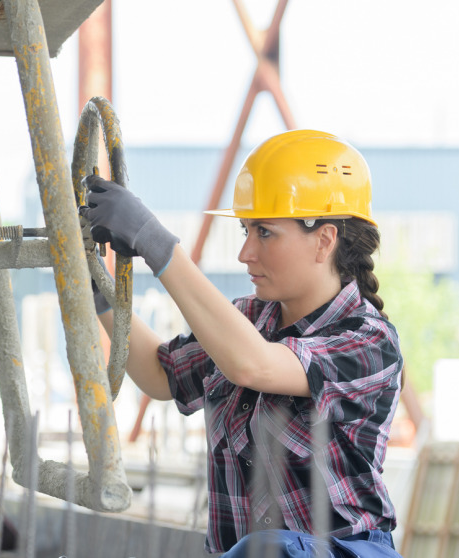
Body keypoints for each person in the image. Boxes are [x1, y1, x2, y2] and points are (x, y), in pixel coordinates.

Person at [79, 129, 404, 557]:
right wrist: (94, 287)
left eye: (265, 233)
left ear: (325, 240)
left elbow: (254, 366)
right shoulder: (247, 320)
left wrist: (152, 240)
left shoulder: (368, 343)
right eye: (246, 231)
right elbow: (162, 376)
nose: (245, 252)